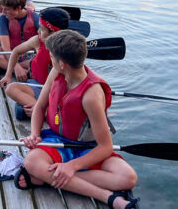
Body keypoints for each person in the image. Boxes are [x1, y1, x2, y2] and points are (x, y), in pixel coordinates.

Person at [16, 30, 139, 209]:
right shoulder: (56, 73)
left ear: (62, 64)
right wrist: (35, 135)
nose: (50, 60)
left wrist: (72, 166)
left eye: (51, 57)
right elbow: (40, 107)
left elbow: (105, 147)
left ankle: (45, 179)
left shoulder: (91, 95)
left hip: (87, 148)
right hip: (57, 142)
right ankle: (108, 197)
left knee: (128, 177)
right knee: (32, 162)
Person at [0, 7, 70, 120]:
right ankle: (42, 111)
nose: (38, 31)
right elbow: (16, 51)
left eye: (41, 29)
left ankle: (40, 111)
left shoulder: (68, 49)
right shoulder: (37, 40)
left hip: (56, 93)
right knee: (10, 88)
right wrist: (8, 75)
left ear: (53, 32)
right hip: (37, 85)